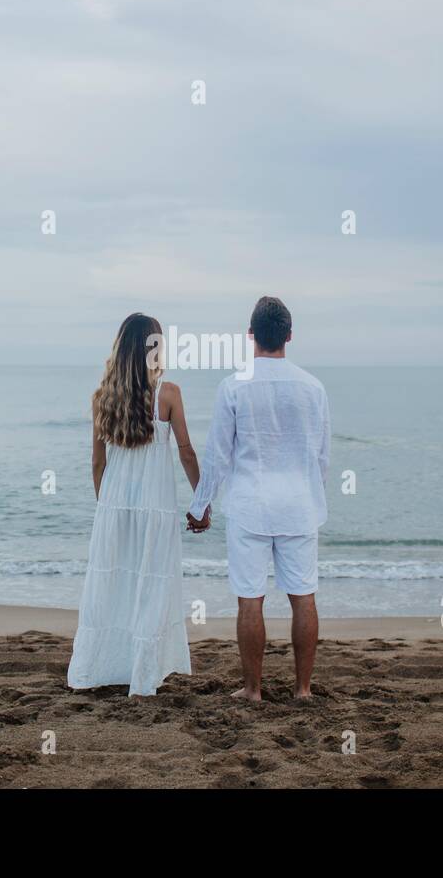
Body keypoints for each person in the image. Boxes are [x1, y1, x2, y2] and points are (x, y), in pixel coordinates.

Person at [186, 296, 330, 700]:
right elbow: (322, 456)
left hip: (250, 506)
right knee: (303, 596)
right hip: (298, 505)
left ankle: (253, 690)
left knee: (250, 599)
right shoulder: (313, 388)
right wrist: (313, 500)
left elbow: (217, 455)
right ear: (289, 335)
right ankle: (303, 689)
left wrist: (201, 506)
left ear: (251, 335)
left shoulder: (233, 386)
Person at [67, 313, 198, 696]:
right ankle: (141, 675)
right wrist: (201, 501)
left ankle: (101, 667)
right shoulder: (168, 394)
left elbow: (97, 462)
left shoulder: (102, 398)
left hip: (114, 507)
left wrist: (105, 507)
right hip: (154, 508)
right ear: (154, 348)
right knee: (150, 586)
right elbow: (186, 453)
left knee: (114, 584)